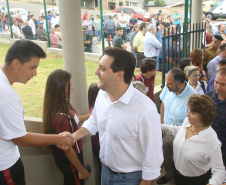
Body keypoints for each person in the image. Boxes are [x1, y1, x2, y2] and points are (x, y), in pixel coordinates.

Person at [64, 47, 163, 185]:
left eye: (102, 69)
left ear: (119, 75)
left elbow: (153, 158)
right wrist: (74, 136)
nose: (96, 72)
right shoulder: (102, 95)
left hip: (130, 179)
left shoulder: (145, 110)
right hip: (105, 172)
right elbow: (94, 120)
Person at [0, 40, 74, 185]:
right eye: (32, 67)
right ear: (15, 63)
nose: (35, 74)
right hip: (6, 167)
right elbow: (20, 138)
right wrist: (58, 138)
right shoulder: (7, 96)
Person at [162, 94, 226, 185]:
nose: (187, 114)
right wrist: (162, 127)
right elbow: (180, 131)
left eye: (192, 113)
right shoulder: (188, 121)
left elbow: (220, 171)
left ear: (203, 116)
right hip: (178, 175)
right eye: (189, 110)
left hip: (195, 181)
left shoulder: (212, 141)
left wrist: (213, 183)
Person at [42, 69, 90, 185]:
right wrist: (81, 170)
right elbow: (67, 148)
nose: (72, 88)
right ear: (59, 89)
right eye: (70, 85)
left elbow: (74, 119)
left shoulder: (62, 106)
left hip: (72, 158)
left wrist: (91, 116)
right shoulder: (61, 117)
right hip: (71, 160)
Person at [157, 68, 197, 185]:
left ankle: (182, 177)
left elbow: (194, 121)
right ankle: (169, 175)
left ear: (179, 84)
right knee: (165, 155)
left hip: (183, 134)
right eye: (166, 83)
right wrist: (161, 124)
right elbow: (163, 103)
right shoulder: (168, 89)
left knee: (183, 160)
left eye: (169, 84)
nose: (166, 86)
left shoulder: (193, 97)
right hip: (166, 131)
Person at [207, 67, 226, 167]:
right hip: (207, 147)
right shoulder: (209, 96)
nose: (218, 86)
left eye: (223, 84)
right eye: (216, 82)